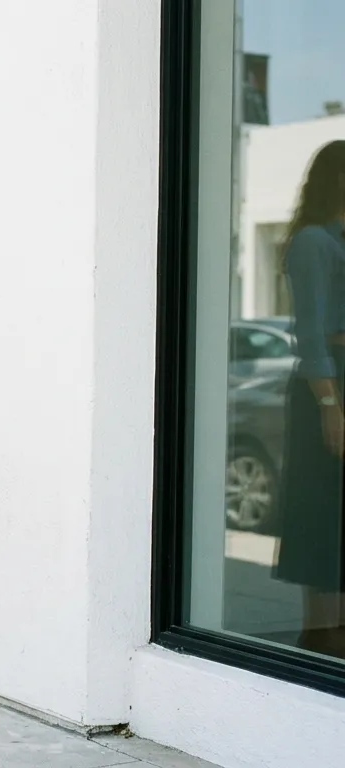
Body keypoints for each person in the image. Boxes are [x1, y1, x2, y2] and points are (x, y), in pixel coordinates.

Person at [276, 139, 345, 660]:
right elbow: (313, 333)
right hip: (329, 386)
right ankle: (319, 637)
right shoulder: (314, 242)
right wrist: (329, 405)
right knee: (322, 508)